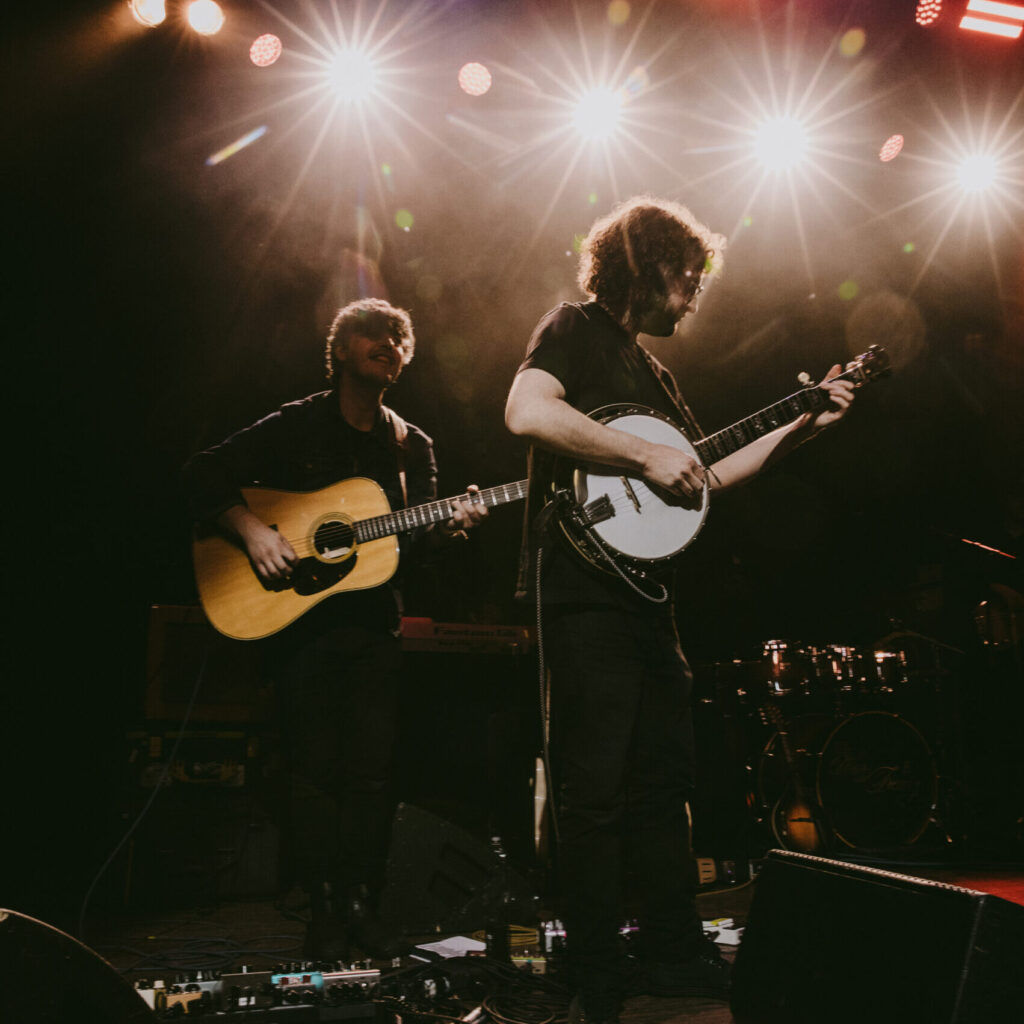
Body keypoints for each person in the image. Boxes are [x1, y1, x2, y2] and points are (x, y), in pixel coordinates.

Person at [504, 196, 854, 1023]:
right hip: (582, 587)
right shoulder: (574, 328)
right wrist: (641, 454)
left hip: (646, 598)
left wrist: (805, 423)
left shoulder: (654, 374)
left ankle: (670, 949)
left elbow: (708, 476)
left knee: (665, 780)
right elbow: (526, 410)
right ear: (653, 265)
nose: (695, 297)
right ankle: (596, 964)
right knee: (590, 788)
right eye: (690, 277)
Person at [182, 298, 488, 960]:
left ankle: (359, 903)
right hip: (302, 627)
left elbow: (414, 547)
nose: (391, 342)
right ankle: (322, 904)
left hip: (375, 628)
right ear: (344, 349)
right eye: (376, 333)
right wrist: (252, 529)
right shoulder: (297, 425)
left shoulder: (412, 446)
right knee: (313, 772)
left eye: (401, 339)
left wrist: (453, 527)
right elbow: (201, 471)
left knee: (372, 775)